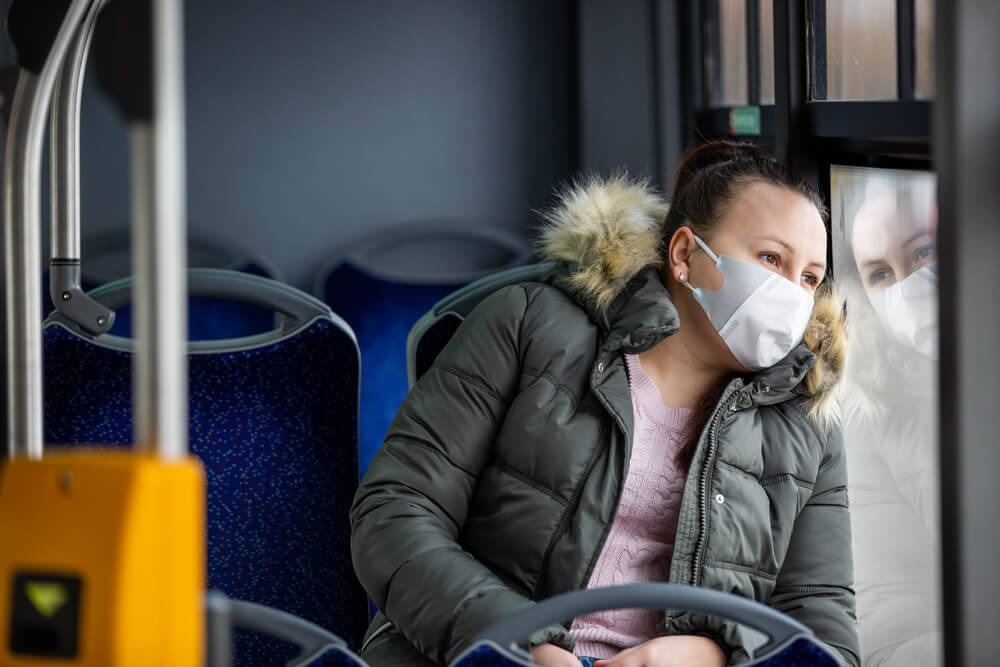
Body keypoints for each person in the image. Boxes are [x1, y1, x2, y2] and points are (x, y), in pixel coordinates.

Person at [350, 140, 859, 667]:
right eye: (771, 258)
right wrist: (520, 644)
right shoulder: (528, 325)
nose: (793, 295)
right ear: (684, 255)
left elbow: (826, 632)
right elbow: (394, 513)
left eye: (809, 278)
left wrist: (716, 655)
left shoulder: (808, 421)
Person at [836, 171, 942, 666]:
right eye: (880, 274)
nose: (908, 288)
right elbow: (885, 625)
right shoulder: (872, 411)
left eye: (923, 252)